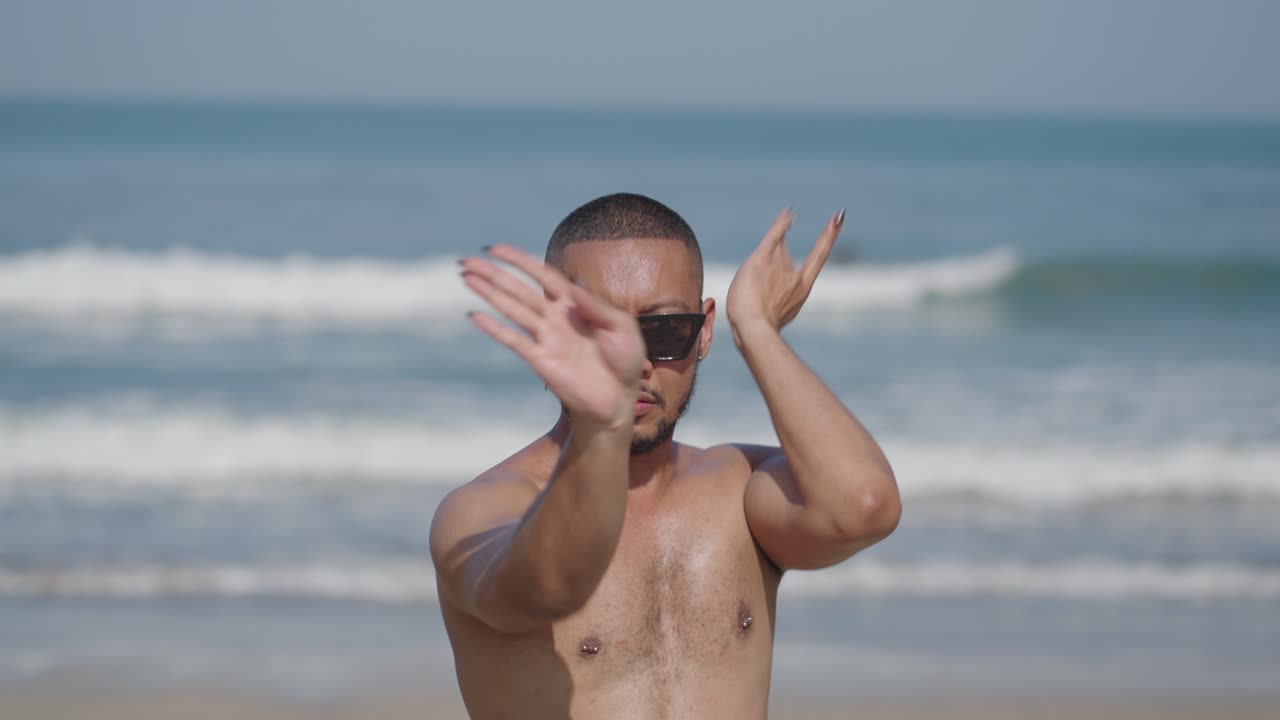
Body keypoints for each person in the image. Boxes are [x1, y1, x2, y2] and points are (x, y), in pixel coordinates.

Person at [431, 193, 900, 719]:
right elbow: (548, 586)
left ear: (704, 333)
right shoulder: (482, 514)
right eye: (599, 329)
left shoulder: (738, 492)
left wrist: (759, 332)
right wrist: (601, 425)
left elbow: (864, 506)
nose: (634, 363)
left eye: (665, 331)